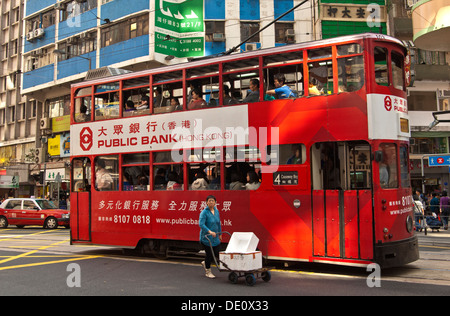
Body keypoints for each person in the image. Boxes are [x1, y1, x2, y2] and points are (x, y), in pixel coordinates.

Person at [199, 195, 222, 279]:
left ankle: (205, 263)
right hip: (207, 237)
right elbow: (201, 224)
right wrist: (209, 231)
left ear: (215, 202)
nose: (211, 202)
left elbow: (218, 222)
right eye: (209, 201)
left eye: (213, 201)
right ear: (206, 202)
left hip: (215, 237)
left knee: (216, 253)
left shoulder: (216, 211)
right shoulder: (204, 212)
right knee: (209, 254)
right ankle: (208, 271)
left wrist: (220, 234)